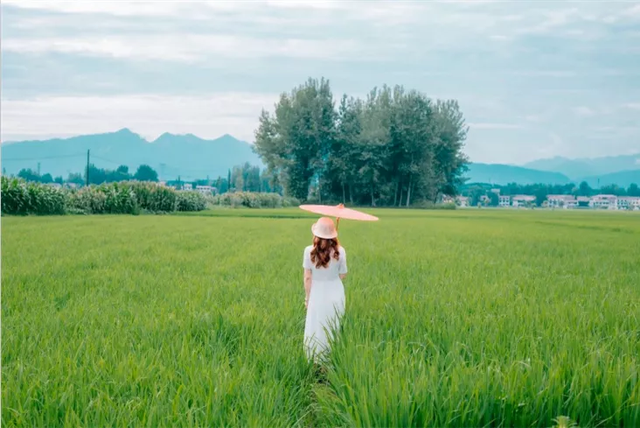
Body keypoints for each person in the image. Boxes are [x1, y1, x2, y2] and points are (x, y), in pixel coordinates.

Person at [303, 217, 347, 362]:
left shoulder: (309, 251)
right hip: (335, 291)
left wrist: (307, 298)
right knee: (332, 325)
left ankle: (314, 360)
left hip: (317, 293)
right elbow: (343, 275)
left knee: (316, 325)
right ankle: (331, 360)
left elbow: (307, 278)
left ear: (316, 234)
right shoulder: (340, 251)